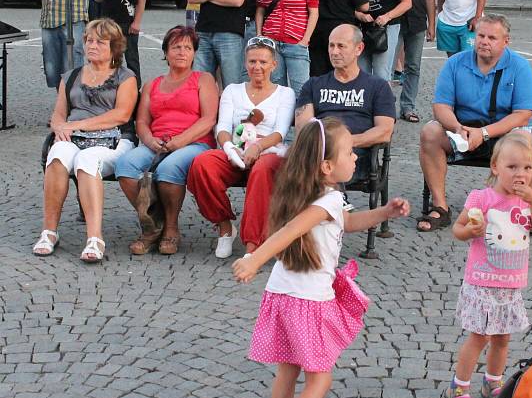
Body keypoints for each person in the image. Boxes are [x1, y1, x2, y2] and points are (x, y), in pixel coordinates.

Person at [232, 117, 410, 398]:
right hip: (308, 300)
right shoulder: (326, 200)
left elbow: (349, 222)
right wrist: (254, 260)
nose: (355, 157)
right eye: (350, 152)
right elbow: (290, 232)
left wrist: (384, 211)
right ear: (327, 166)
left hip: (283, 293)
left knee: (288, 371)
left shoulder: (313, 192)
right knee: (319, 378)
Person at [444, 132, 532, 398]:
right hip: (482, 280)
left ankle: (493, 381)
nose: (520, 174)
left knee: (502, 338)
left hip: (511, 284)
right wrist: (470, 231)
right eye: (512, 167)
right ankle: (459, 387)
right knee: (480, 336)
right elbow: (458, 229)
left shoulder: (527, 201)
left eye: (527, 168)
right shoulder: (483, 197)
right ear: (495, 167)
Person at [417, 14, 532, 232]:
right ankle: (440, 207)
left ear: (506, 41)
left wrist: (483, 133)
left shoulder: (519, 66)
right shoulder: (455, 63)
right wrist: (457, 128)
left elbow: (522, 114)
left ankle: (522, 210)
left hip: (503, 132)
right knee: (430, 131)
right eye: (480, 35)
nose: (484, 41)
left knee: (527, 142)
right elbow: (441, 107)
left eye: (492, 37)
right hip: (462, 130)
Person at [33, 19, 137, 262]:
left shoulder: (126, 76)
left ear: (115, 47)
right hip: (75, 137)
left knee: (87, 160)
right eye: (89, 40)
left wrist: (76, 125)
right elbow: (59, 112)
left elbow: (121, 115)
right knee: (57, 156)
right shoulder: (71, 76)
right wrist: (59, 127)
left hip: (115, 139)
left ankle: (94, 238)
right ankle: (49, 232)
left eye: (99, 42)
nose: (92, 45)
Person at [115, 26, 218, 255]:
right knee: (125, 165)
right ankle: (153, 222)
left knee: (170, 168)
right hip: (156, 143)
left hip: (194, 142)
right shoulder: (152, 84)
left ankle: (171, 228)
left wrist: (180, 141)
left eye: (187, 48)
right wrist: (150, 140)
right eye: (176, 47)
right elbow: (141, 121)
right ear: (166, 52)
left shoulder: (203, 79)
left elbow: (209, 119)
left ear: (194, 53)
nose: (182, 52)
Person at [188, 39, 295, 258]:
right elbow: (223, 127)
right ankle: (225, 226)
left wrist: (256, 146)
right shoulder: (232, 90)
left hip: (269, 152)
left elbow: (280, 133)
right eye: (252, 61)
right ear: (245, 64)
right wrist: (229, 148)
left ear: (274, 65)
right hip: (236, 151)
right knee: (202, 164)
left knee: (262, 169)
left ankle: (253, 244)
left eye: (263, 62)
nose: (257, 67)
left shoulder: (285, 93)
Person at [294, 24, 395, 180]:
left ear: (359, 49)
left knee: (329, 165)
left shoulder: (378, 86)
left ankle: (331, 202)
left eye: (341, 46)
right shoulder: (313, 85)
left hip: (356, 154)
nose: (334, 52)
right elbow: (303, 127)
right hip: (319, 152)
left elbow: (385, 131)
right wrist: (326, 146)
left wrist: (344, 143)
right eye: (331, 46)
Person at [255, 0, 319, 98]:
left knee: (301, 92)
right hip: (272, 42)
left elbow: (314, 12)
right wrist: (259, 35)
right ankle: (280, 124)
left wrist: (305, 40)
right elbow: (260, 9)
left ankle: (301, 124)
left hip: (296, 41)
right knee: (276, 91)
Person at [396, 0, 437, 122]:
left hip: (418, 21)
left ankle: (408, 107)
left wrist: (432, 24)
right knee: (386, 68)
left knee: (413, 66)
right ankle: (384, 108)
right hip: (394, 22)